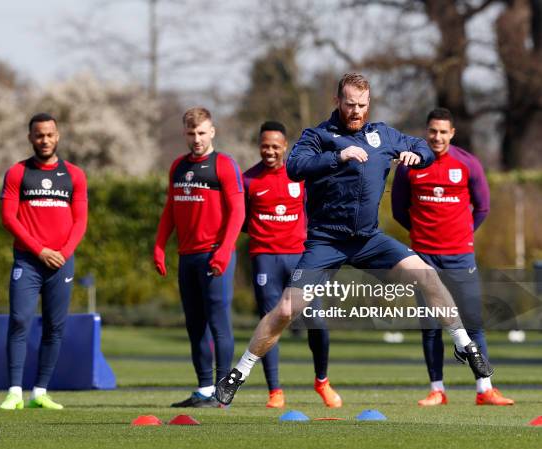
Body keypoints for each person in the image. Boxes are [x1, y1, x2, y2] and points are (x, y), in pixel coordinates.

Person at [215, 73, 493, 406]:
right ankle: (238, 374)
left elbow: (422, 146)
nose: (356, 111)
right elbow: (295, 167)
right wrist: (338, 157)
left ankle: (464, 345)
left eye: (362, 105)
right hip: (325, 241)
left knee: (425, 274)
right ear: (337, 102)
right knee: (287, 309)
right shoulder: (318, 136)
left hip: (368, 239)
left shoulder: (382, 134)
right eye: (350, 104)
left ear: (369, 103)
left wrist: (418, 156)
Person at [391, 107, 514, 406]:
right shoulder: (409, 165)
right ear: (426, 131)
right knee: (432, 325)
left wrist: (463, 234)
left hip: (461, 257)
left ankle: (485, 390)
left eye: (443, 132)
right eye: (433, 131)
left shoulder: (468, 163)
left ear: (452, 133)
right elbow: (398, 210)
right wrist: (422, 234)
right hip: (424, 259)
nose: (437, 137)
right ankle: (437, 389)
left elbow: (482, 207)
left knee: (473, 324)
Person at [243, 121, 341, 408]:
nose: (269, 152)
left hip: (302, 258)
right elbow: (242, 221)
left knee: (317, 322)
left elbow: (317, 212)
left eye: (275, 146)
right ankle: (275, 391)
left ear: (285, 146)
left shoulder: (301, 177)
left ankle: (321, 381)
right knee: (270, 325)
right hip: (265, 259)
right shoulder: (248, 180)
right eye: (265, 146)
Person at [154, 107, 245, 408]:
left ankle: (223, 392)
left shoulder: (224, 165)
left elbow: (237, 213)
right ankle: (204, 389)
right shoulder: (178, 167)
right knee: (195, 325)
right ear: (185, 133)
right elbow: (170, 210)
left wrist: (223, 250)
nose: (196, 139)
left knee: (219, 325)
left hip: (215, 256)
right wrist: (159, 245)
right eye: (191, 133)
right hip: (187, 257)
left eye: (202, 132)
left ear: (212, 131)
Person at [0, 113, 88, 410]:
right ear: (30, 138)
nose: (45, 140)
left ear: (58, 136)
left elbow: (80, 221)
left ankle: (40, 392)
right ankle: (14, 393)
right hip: (28, 261)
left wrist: (63, 251)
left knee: (54, 327)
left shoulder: (75, 175)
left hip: (62, 262)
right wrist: (40, 251)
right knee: (20, 321)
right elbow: (9, 219)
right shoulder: (17, 173)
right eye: (39, 135)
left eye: (50, 134)